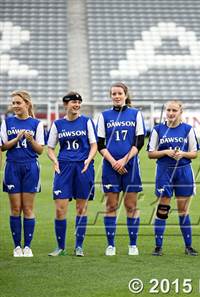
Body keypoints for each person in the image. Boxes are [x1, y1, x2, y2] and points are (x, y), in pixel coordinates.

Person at [96, 82, 145, 256]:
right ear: (110, 96)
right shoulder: (104, 116)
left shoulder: (136, 114)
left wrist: (124, 160)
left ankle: (133, 244)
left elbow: (139, 141)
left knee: (131, 206)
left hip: (130, 166)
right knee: (111, 206)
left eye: (119, 93)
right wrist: (113, 162)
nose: (117, 96)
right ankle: (111, 245)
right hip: (110, 167)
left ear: (125, 95)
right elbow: (100, 143)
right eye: (113, 94)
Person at [47, 92, 97, 257]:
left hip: (83, 167)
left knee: (81, 208)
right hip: (64, 168)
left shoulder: (87, 122)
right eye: (73, 102)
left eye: (78, 102)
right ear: (65, 104)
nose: (76, 105)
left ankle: (79, 247)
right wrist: (55, 161)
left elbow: (94, 145)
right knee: (60, 208)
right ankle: (60, 247)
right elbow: (50, 148)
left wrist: (88, 160)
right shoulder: (58, 124)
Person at [147, 100, 198, 256]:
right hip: (164, 171)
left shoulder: (188, 129)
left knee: (183, 210)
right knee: (163, 209)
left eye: (174, 110)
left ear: (180, 112)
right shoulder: (158, 129)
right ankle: (158, 247)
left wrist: (182, 154)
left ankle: (188, 246)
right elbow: (150, 153)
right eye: (168, 110)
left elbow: (194, 153)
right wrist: (166, 152)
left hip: (183, 171)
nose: (170, 113)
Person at [1, 90, 44, 257]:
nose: (15, 106)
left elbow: (40, 150)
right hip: (12, 167)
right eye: (13, 103)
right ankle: (17, 246)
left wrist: (31, 140)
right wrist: (16, 139)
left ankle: (27, 246)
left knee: (27, 208)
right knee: (15, 208)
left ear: (27, 104)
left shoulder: (36, 124)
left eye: (18, 103)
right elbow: (3, 146)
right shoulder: (7, 122)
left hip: (30, 168)